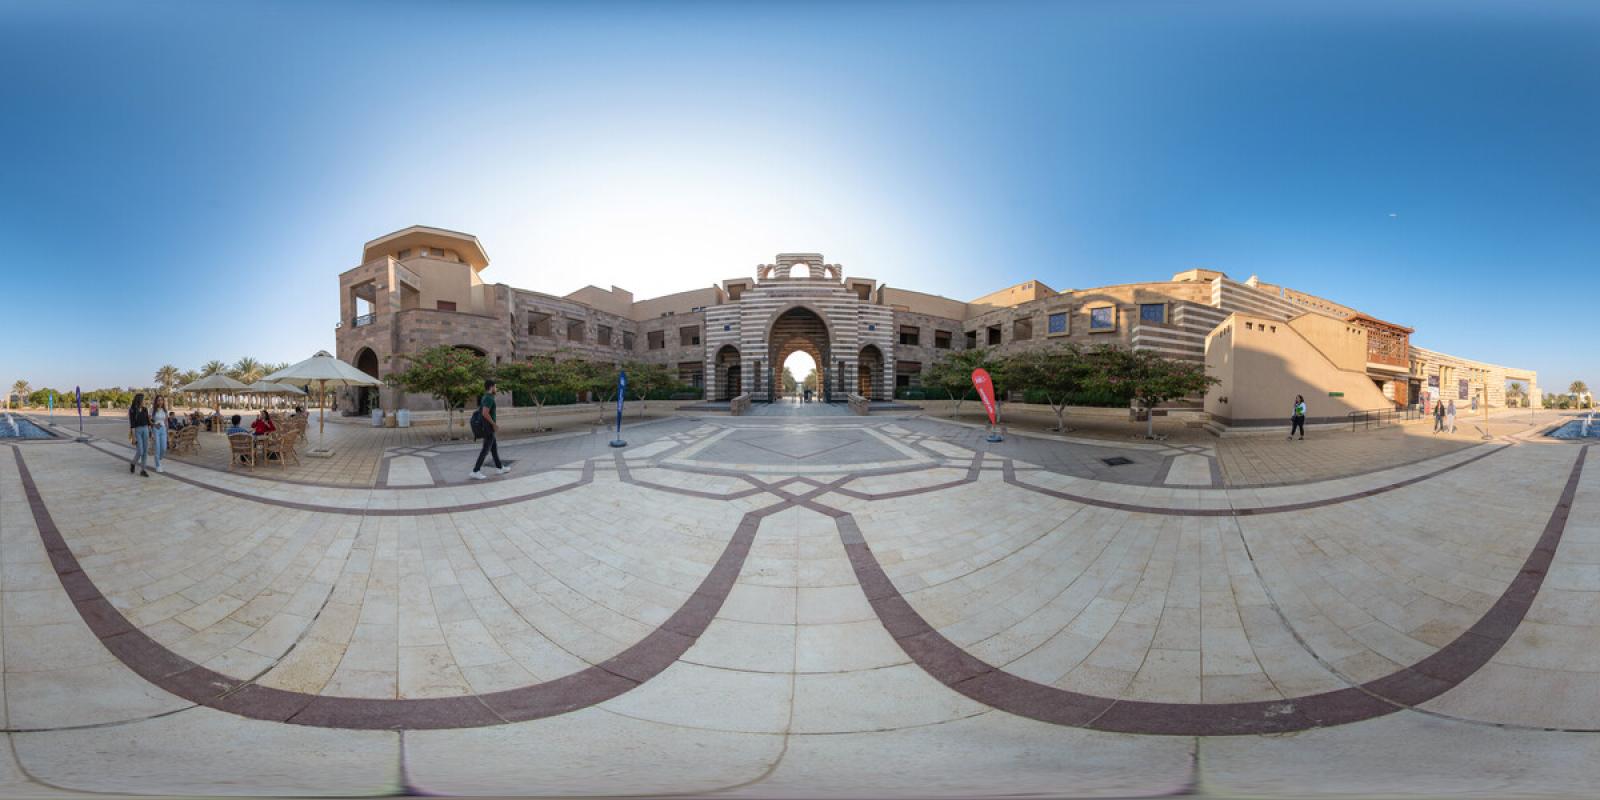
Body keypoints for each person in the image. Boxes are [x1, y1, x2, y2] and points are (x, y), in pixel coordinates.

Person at [469, 378, 510, 480]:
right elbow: (485, 413)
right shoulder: (489, 398)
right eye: (495, 387)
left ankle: (499, 467)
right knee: (485, 450)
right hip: (488, 428)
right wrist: (494, 424)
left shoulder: (485, 396)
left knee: (494, 449)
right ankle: (475, 471)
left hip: (488, 427)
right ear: (491, 387)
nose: (496, 388)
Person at [128, 393, 151, 477]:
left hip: (145, 430)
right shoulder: (132, 410)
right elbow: (132, 424)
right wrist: (133, 437)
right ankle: (133, 463)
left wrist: (149, 431)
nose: (145, 401)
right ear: (139, 400)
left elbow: (148, 422)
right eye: (143, 399)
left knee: (145, 451)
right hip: (137, 430)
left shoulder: (145, 409)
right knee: (140, 451)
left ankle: (143, 470)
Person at [150, 395, 169, 474]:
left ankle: (159, 458)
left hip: (163, 429)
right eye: (158, 400)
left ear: (163, 401)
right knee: (157, 448)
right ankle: (158, 465)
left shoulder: (165, 410)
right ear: (156, 401)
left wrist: (167, 430)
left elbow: (166, 421)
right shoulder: (152, 410)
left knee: (164, 448)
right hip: (156, 429)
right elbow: (149, 420)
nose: (160, 401)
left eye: (161, 400)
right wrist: (154, 425)